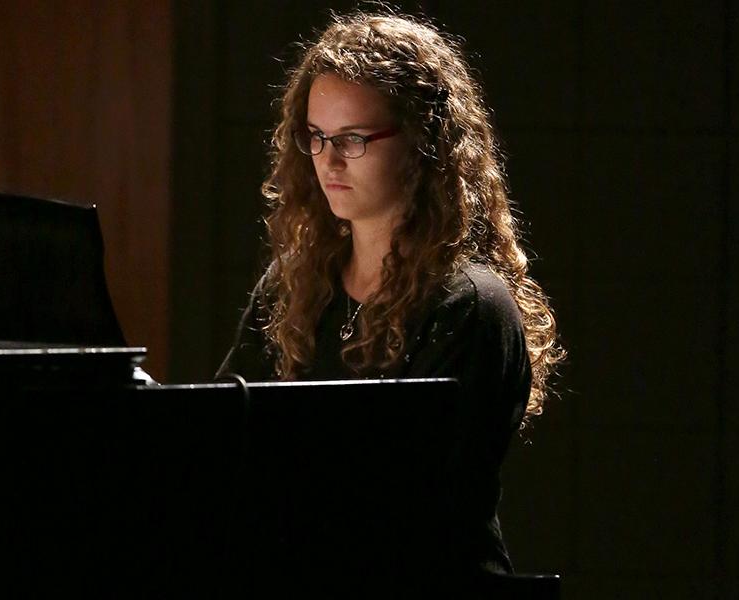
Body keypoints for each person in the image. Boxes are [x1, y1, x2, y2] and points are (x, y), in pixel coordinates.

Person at [216, 6, 565, 592]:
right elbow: (223, 435)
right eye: (316, 137)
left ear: (424, 141)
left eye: (353, 139)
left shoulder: (471, 306)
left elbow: (412, 507)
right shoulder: (293, 285)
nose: (327, 160)